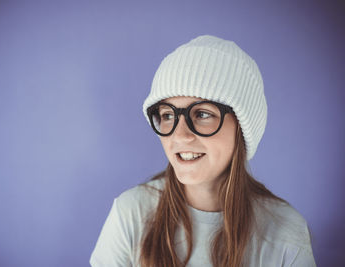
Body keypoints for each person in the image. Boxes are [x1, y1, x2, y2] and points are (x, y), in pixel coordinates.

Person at [89, 35, 316, 267]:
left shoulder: (286, 232)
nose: (180, 135)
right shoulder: (130, 213)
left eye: (203, 114)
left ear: (243, 127)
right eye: (168, 115)